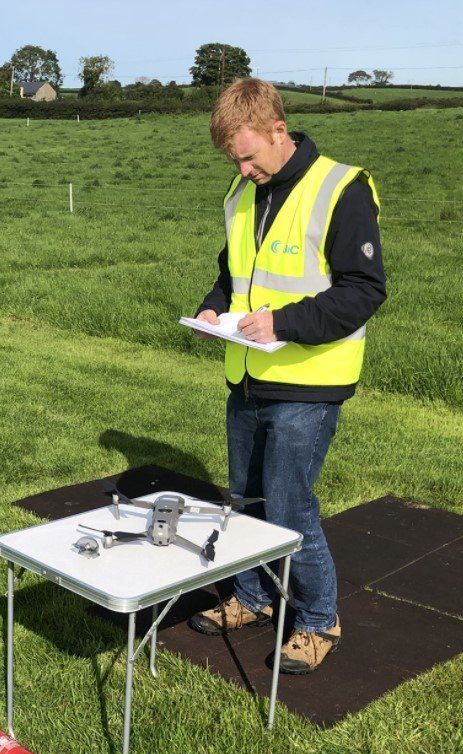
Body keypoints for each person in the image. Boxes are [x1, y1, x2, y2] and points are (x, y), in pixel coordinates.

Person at [187, 78, 386, 674]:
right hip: (248, 376)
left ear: (279, 129)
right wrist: (212, 309)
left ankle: (320, 619)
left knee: (289, 507)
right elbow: (232, 274)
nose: (243, 170)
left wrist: (284, 322)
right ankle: (251, 598)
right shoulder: (244, 192)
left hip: (309, 381)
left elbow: (364, 291)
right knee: (245, 499)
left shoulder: (342, 188)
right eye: (234, 161)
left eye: (249, 157)